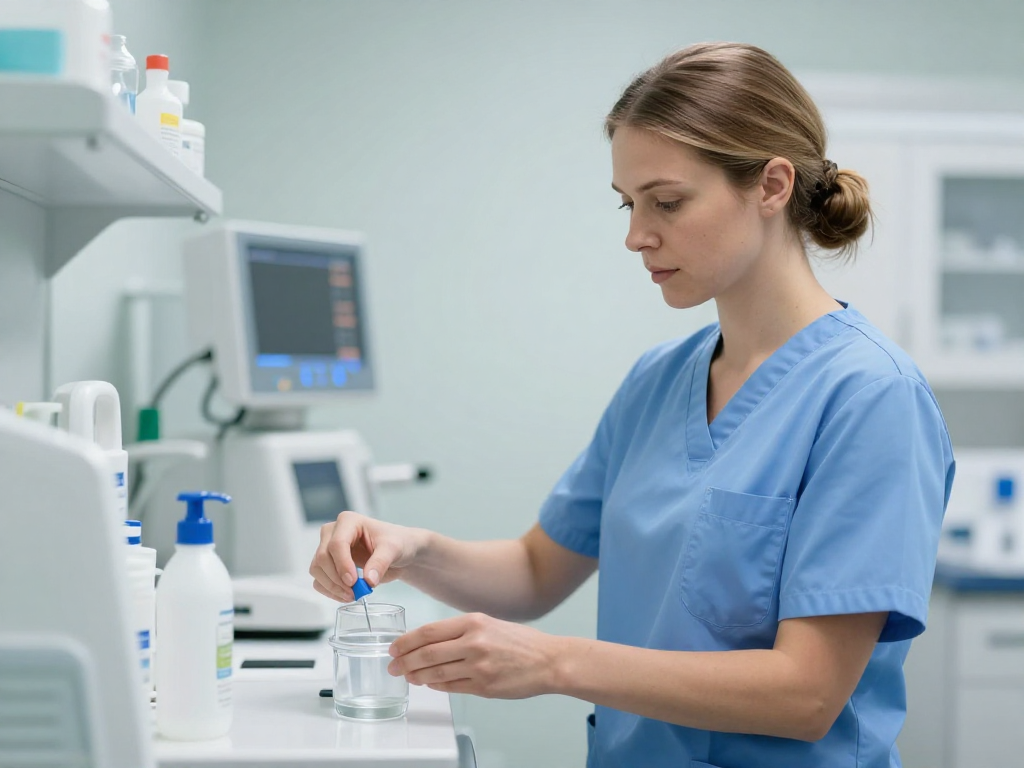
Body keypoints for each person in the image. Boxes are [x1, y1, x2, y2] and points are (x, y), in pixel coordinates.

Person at [309, 41, 955, 768]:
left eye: (667, 202)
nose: (635, 235)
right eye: (629, 203)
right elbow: (533, 571)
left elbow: (806, 695)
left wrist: (554, 664)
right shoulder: (658, 381)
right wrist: (411, 550)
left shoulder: (871, 398)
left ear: (772, 186)